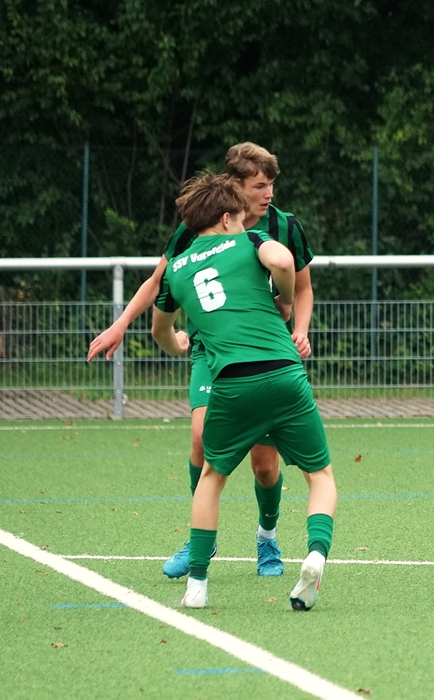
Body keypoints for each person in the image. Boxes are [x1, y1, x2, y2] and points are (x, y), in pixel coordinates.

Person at [87, 143, 315, 578]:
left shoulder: (283, 226)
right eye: (259, 186)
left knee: (265, 464)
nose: (268, 193)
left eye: (271, 184)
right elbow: (158, 282)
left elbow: (302, 288)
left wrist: (299, 329)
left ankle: (267, 538)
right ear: (236, 187)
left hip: (264, 351)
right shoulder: (201, 225)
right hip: (211, 349)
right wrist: (121, 324)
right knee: (199, 437)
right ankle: (200, 541)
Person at [151, 172, 336, 610]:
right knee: (320, 477)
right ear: (226, 218)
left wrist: (178, 344)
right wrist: (285, 299)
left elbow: (160, 330)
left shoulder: (176, 269)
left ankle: (198, 584)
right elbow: (285, 262)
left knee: (211, 478)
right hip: (285, 374)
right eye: (238, 217)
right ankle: (315, 554)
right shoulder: (251, 241)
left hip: (231, 383)